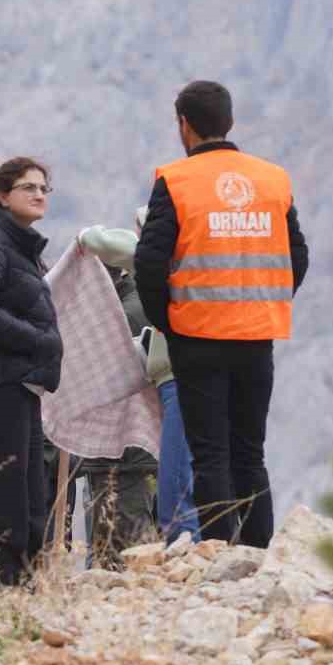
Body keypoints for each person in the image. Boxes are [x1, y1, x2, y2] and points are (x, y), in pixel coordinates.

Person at [135, 80, 308, 548]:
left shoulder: (174, 180)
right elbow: (298, 256)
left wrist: (169, 321)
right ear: (229, 121)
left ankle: (218, 552)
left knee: (210, 454)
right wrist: (265, 300)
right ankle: (254, 554)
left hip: (196, 339)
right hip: (256, 337)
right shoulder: (273, 179)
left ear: (184, 125)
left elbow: (149, 263)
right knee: (250, 453)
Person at [0, 158, 64, 587]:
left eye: (43, 187)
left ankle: (19, 607)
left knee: (31, 509)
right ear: (3, 196)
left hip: (22, 389)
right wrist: (37, 339)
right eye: (27, 187)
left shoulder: (17, 245)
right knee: (5, 514)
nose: (39, 194)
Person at [79, 216, 197, 546]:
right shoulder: (125, 304)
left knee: (125, 545)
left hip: (126, 453)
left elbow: (114, 372)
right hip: (120, 452)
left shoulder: (129, 310)